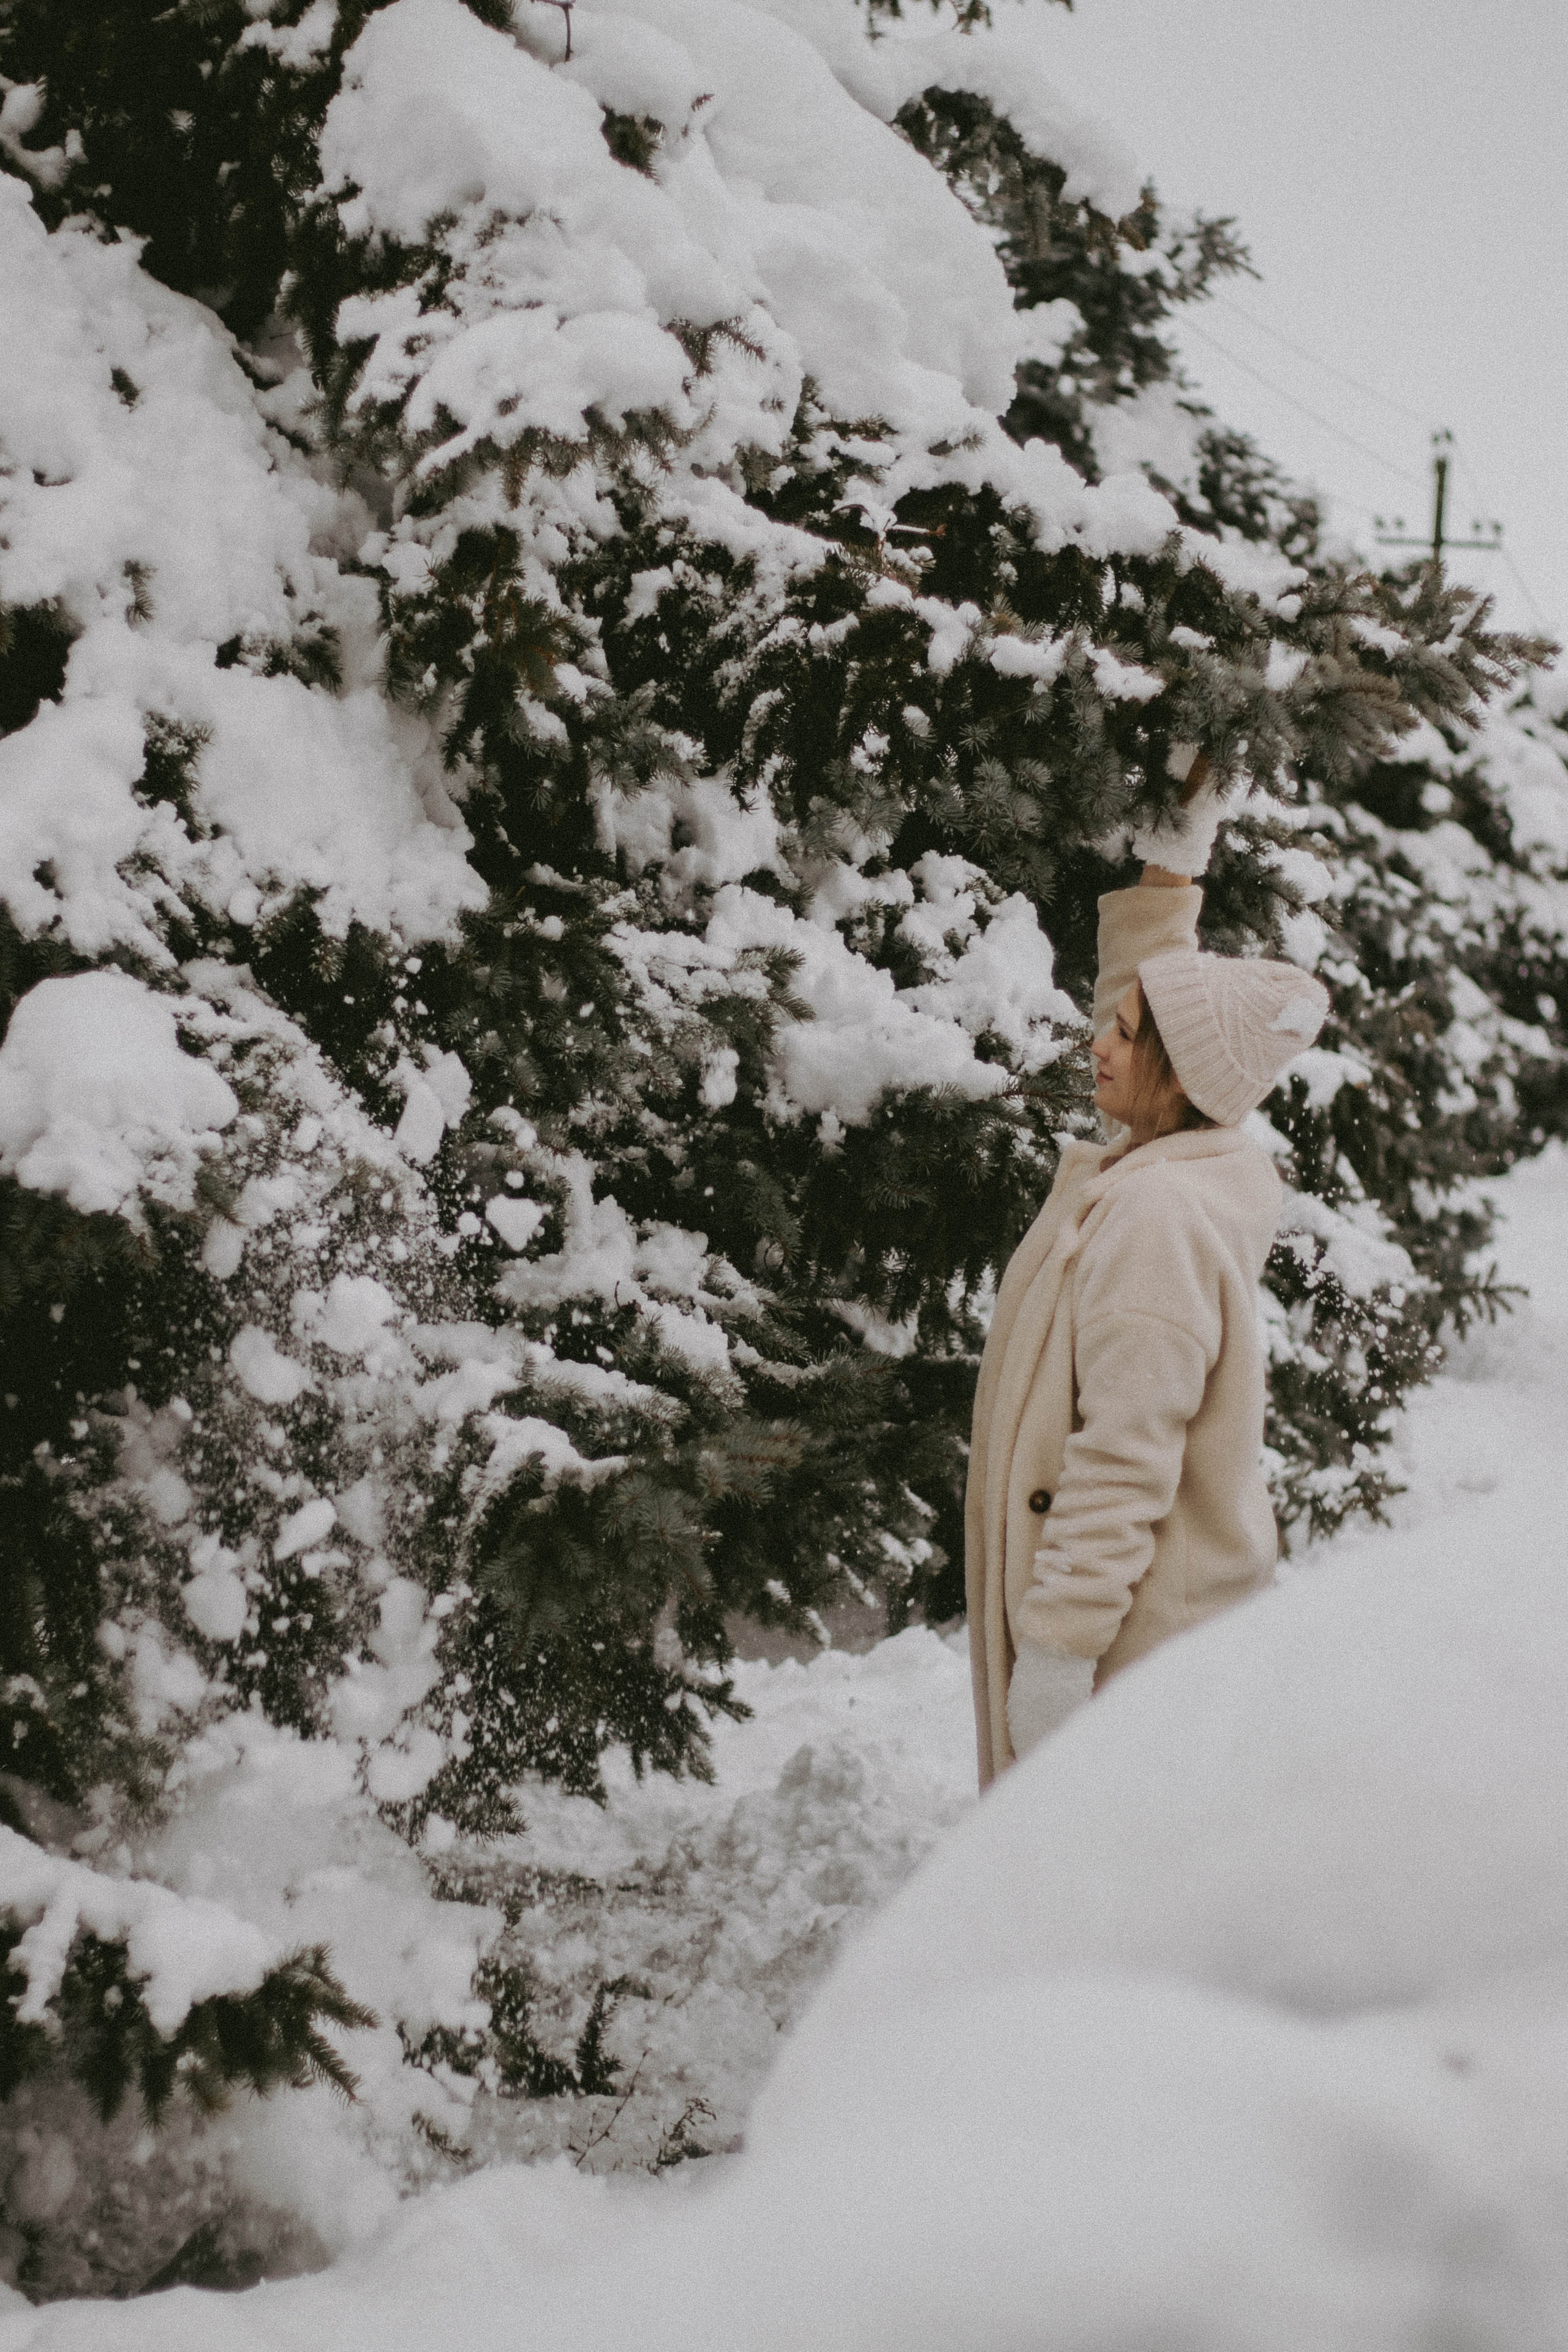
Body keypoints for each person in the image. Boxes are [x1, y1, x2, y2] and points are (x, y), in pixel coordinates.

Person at [965, 750, 1329, 1788]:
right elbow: (1153, 1001)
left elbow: (1123, 1458)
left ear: (1174, 1074)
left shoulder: (1156, 1219)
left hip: (1126, 1660)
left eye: (1125, 1037)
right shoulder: (1181, 1156)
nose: (1100, 1044)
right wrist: (1173, 864)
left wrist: (1058, 1656)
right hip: (1145, 1644)